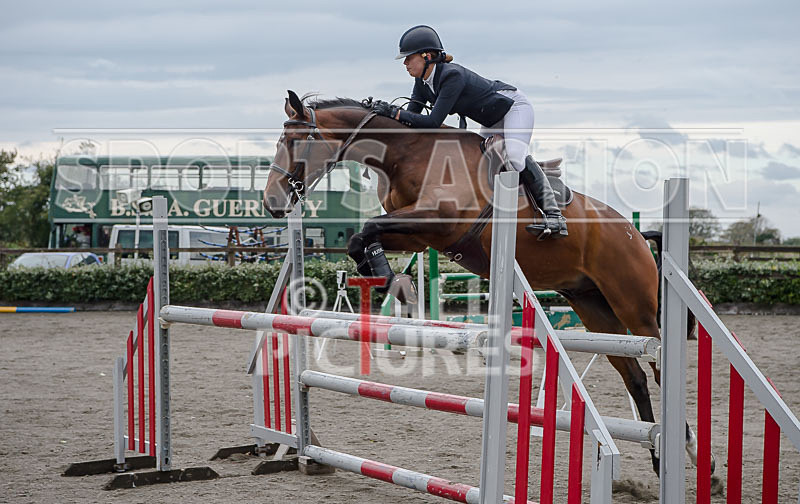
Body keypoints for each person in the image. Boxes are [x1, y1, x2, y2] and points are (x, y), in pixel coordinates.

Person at [372, 25, 568, 239]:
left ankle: (554, 216)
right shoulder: (422, 82)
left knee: (514, 157)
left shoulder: (451, 75)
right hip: (491, 119)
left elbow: (432, 122)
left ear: (426, 56)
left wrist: (396, 113)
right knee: (476, 160)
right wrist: (388, 116)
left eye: (409, 58)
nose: (405, 63)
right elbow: (411, 123)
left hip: (514, 108)